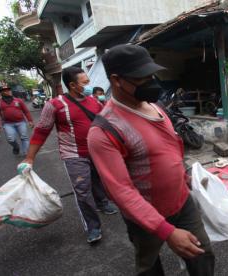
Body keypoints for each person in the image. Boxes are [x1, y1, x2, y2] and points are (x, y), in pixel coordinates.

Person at [88, 44, 215, 275]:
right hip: (144, 215)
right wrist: (166, 232)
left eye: (152, 75)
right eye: (142, 78)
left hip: (181, 201)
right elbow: (122, 191)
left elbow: (171, 146)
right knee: (149, 265)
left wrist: (183, 174)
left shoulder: (157, 107)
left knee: (202, 253)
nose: (152, 82)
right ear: (116, 80)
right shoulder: (104, 131)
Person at [18, 66, 118, 244]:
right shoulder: (55, 105)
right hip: (73, 154)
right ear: (72, 85)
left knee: (99, 180)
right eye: (85, 82)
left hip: (97, 151)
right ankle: (92, 226)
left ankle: (102, 202)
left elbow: (106, 123)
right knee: (82, 190)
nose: (89, 85)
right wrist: (30, 157)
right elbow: (41, 131)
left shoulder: (95, 101)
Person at [0, 86, 34, 156]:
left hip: (21, 122)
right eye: (5, 90)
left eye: (9, 90)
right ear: (1, 92)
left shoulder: (18, 100)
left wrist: (30, 120)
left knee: (24, 137)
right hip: (7, 124)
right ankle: (16, 147)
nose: (8, 91)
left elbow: (26, 111)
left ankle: (26, 154)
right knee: (10, 139)